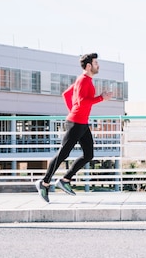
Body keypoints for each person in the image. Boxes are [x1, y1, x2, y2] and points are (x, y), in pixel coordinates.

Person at [35, 52, 113, 202]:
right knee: (63, 154)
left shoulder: (84, 80)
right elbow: (83, 102)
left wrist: (74, 110)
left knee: (89, 154)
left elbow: (66, 94)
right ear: (89, 66)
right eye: (96, 63)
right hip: (76, 123)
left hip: (82, 122)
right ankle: (44, 183)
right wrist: (101, 98)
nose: (98, 65)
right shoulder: (84, 80)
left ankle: (65, 180)